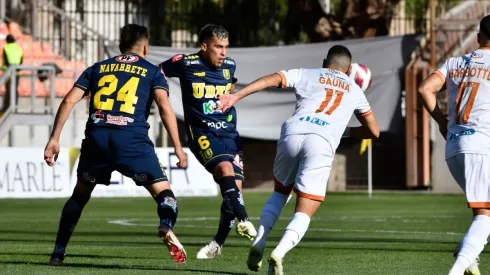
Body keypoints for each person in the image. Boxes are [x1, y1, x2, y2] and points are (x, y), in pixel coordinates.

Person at [217, 45, 380, 274]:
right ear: (348, 69)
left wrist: (236, 95)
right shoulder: (354, 89)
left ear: (326, 62)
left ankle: (260, 242)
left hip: (292, 133)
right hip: (321, 142)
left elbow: (272, 79)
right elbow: (374, 131)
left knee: (280, 192)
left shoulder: (308, 73)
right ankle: (279, 252)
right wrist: (341, 130)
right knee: (304, 210)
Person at [44, 24, 188, 266]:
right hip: (131, 141)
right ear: (145, 46)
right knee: (165, 194)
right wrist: (178, 146)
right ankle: (166, 225)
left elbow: (69, 100)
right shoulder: (152, 71)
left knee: (79, 195)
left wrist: (54, 138)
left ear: (120, 46)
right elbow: (164, 107)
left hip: (97, 139)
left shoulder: (97, 68)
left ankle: (57, 254)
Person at [160, 24, 256, 259]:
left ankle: (217, 243)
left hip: (230, 134)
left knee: (234, 193)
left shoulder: (230, 66)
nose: (223, 52)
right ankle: (246, 220)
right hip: (202, 133)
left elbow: (230, 88)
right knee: (226, 171)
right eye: (218, 47)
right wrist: (160, 95)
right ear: (204, 47)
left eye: (226, 47)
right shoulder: (185, 63)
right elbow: (156, 73)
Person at [418, 14, 490, 275]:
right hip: (481, 146)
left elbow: (425, 89)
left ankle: (467, 253)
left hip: (454, 147)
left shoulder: (455, 62)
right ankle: (457, 268)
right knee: (486, 214)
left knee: (483, 210)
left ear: (479, 36)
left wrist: (440, 121)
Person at [1, 34, 23, 113]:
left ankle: (7, 108)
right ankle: (15, 107)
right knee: (15, 90)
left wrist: (4, 68)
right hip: (17, 72)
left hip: (9, 72)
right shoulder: (19, 48)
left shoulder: (6, 48)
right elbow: (21, 60)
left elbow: (6, 61)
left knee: (8, 90)